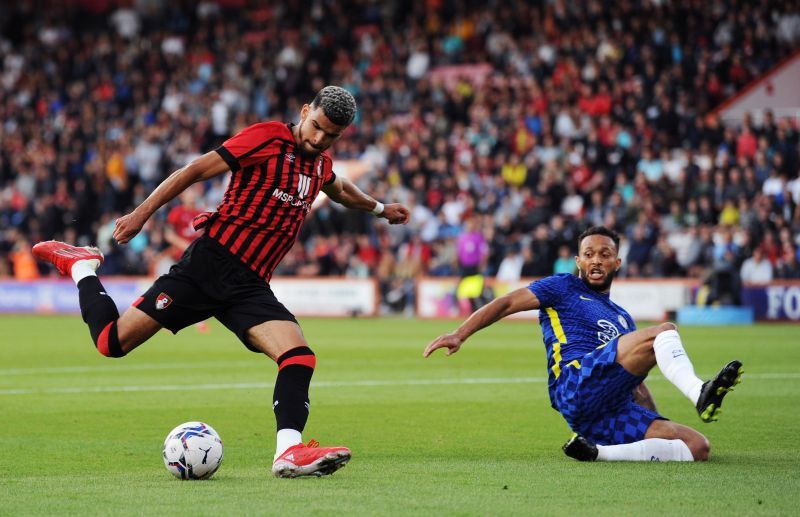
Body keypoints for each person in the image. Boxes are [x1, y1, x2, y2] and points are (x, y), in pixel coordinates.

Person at [33, 86, 410, 478]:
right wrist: (141, 213)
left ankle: (289, 452)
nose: (319, 139)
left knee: (299, 357)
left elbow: (341, 189)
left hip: (250, 286)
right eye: (315, 127)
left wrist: (381, 209)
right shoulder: (267, 137)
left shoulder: (319, 165)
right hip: (208, 266)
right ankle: (81, 267)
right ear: (304, 111)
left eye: (331, 135)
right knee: (111, 343)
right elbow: (195, 170)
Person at [424, 226, 743, 462]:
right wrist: (460, 333)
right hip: (574, 381)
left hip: (603, 412)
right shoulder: (562, 286)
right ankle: (698, 392)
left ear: (617, 263)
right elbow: (507, 303)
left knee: (697, 447)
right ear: (578, 261)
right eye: (589, 254)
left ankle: (597, 452)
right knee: (665, 330)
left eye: (605, 255)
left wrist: (656, 421)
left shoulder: (623, 319)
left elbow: (636, 387)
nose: (596, 260)